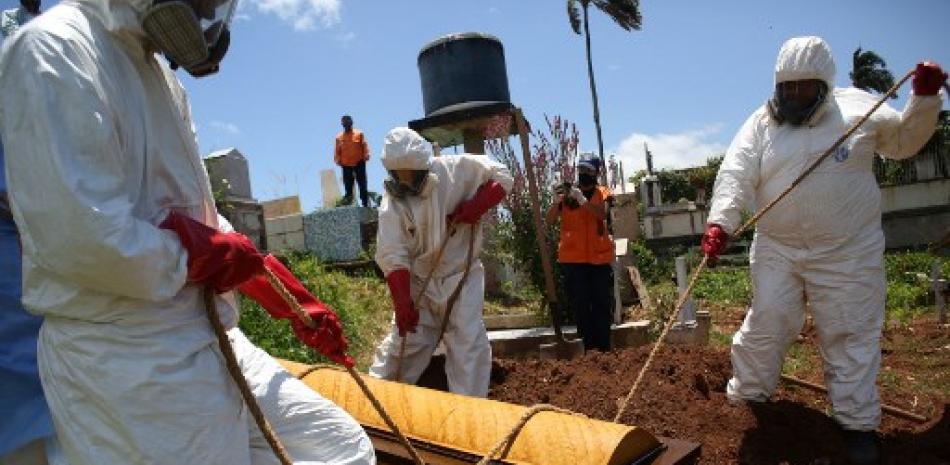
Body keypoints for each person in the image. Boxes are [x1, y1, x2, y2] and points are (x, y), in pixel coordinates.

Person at [0, 1, 374, 464]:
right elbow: (80, 239)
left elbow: (202, 218)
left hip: (206, 333)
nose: (208, 16)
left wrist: (275, 287)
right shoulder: (54, 49)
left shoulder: (162, 78)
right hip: (129, 356)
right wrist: (195, 253)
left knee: (341, 449)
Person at [703, 36, 945, 465]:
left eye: (803, 86)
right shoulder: (761, 122)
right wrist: (721, 223)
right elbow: (736, 171)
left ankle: (857, 427)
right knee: (769, 319)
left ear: (824, 85)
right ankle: (748, 402)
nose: (793, 95)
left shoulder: (858, 109)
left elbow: (905, 141)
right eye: (786, 87)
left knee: (850, 334)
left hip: (847, 252)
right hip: (778, 247)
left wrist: (924, 99)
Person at [368, 127, 512, 397]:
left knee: (466, 343)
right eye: (400, 176)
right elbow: (392, 253)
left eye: (412, 175)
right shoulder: (393, 204)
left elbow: (503, 176)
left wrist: (477, 205)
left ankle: (469, 412)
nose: (407, 183)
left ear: (426, 164)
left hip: (461, 275)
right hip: (420, 281)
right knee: (404, 344)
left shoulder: (457, 170)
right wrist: (402, 303)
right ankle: (377, 402)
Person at [546, 158, 615, 352]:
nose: (583, 172)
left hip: (599, 259)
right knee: (581, 307)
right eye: (581, 168)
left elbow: (602, 214)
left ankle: (603, 350)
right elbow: (550, 220)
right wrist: (555, 203)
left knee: (602, 305)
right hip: (573, 261)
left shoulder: (603, 193)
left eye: (588, 170)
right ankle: (587, 350)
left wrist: (583, 201)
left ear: (596, 173)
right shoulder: (566, 194)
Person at [335, 115, 371, 207]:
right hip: (346, 165)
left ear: (351, 123)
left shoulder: (359, 133)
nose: (346, 123)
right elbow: (337, 151)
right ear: (342, 124)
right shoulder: (339, 137)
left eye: (348, 121)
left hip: (359, 162)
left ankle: (365, 203)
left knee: (362, 184)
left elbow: (364, 145)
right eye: (344, 122)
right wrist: (338, 160)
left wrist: (366, 155)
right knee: (348, 186)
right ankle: (349, 204)